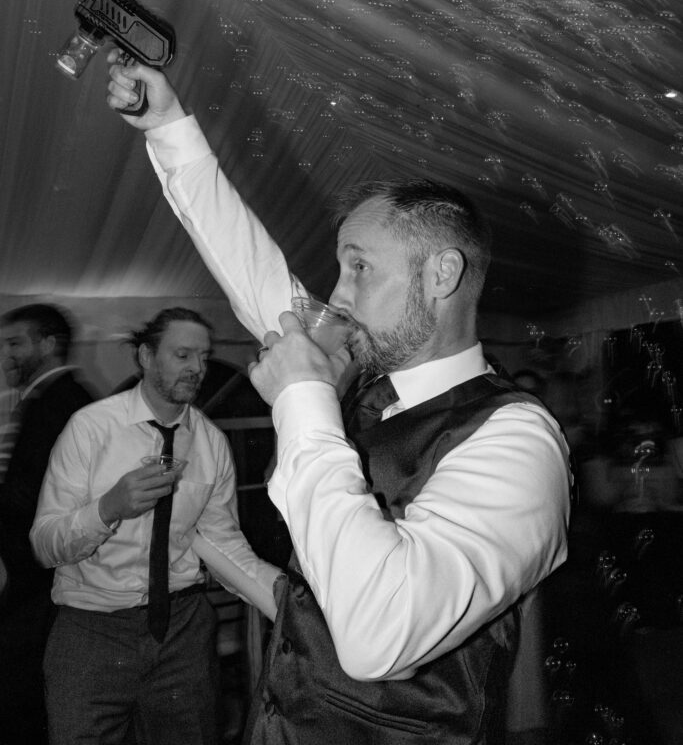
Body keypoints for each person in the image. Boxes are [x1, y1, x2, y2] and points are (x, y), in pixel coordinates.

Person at [106, 60, 573, 745]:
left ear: (441, 274)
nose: (339, 293)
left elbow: (378, 636)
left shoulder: (518, 440)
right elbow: (252, 268)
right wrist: (169, 127)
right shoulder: (355, 376)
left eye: (359, 266)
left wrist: (302, 401)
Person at [30, 307, 281, 745]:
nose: (197, 369)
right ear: (146, 356)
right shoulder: (90, 429)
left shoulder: (210, 442)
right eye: (182, 354)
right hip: (92, 631)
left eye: (203, 357)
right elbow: (44, 545)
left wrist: (287, 605)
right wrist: (108, 508)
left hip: (183, 631)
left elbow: (222, 545)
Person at [0, 303, 94, 745]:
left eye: (15, 343)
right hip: (34, 578)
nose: (6, 356)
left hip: (47, 580)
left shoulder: (65, 404)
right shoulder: (49, 400)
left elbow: (37, 496)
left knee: (26, 689)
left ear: (49, 344)